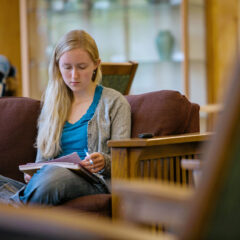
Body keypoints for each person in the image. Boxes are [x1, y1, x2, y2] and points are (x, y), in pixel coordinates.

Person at [0, 29, 131, 206]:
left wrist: (104, 162)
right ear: (57, 66)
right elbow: (42, 161)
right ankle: (20, 206)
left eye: (82, 67)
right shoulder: (52, 104)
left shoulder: (115, 102)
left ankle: (13, 210)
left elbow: (123, 160)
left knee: (53, 175)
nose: (74, 75)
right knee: (48, 175)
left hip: (93, 181)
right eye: (67, 67)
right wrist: (32, 175)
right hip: (50, 179)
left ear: (96, 65)